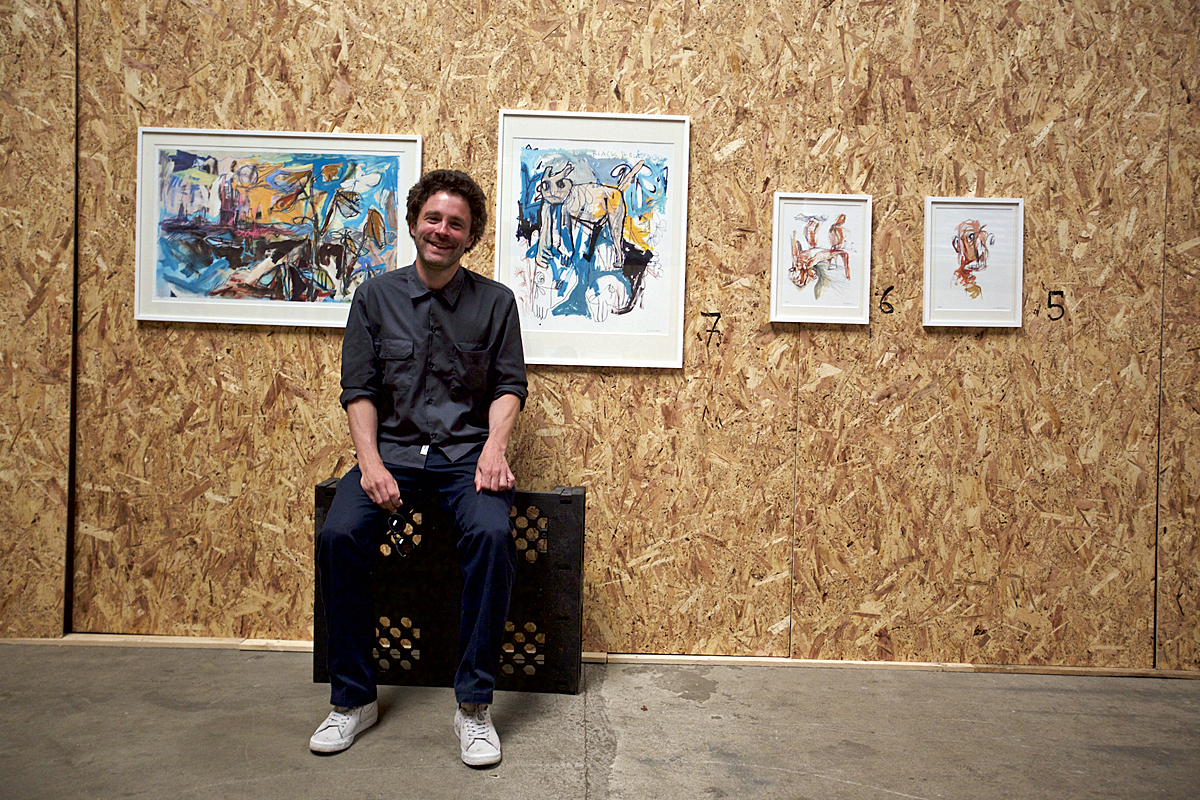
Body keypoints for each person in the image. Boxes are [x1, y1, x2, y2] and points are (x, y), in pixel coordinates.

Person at [311, 169, 527, 767]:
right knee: (338, 536)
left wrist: (495, 448)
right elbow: (359, 389)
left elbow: (509, 386)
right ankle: (353, 700)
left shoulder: (496, 303)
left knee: (492, 536)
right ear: (413, 224)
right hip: (393, 457)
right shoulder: (374, 297)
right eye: (433, 218)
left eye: (456, 223)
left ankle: (474, 706)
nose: (442, 230)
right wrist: (369, 464)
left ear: (470, 237)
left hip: (465, 459)